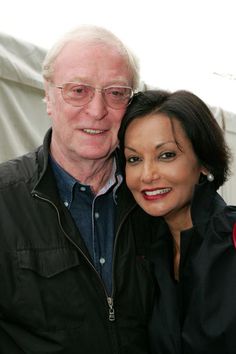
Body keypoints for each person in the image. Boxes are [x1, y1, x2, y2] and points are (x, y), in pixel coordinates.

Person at [0, 25, 156, 353]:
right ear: (48, 95)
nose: (97, 110)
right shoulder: (5, 201)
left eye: (116, 92)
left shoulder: (155, 199)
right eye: (78, 90)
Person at [118, 89, 236, 354]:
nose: (147, 175)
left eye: (166, 155)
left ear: (204, 162)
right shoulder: (146, 251)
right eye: (134, 159)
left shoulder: (231, 241)